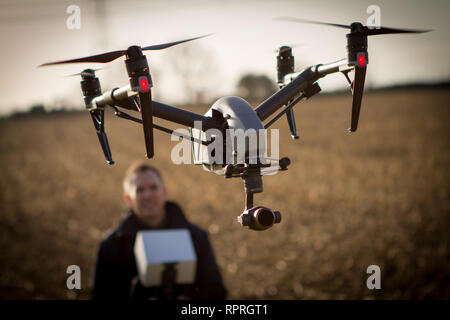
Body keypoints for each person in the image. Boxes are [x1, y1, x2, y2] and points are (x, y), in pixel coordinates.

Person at [92, 162, 227, 300]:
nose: (148, 195)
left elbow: (217, 292)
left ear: (164, 192)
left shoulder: (196, 237)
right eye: (140, 190)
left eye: (153, 187)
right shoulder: (111, 246)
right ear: (128, 199)